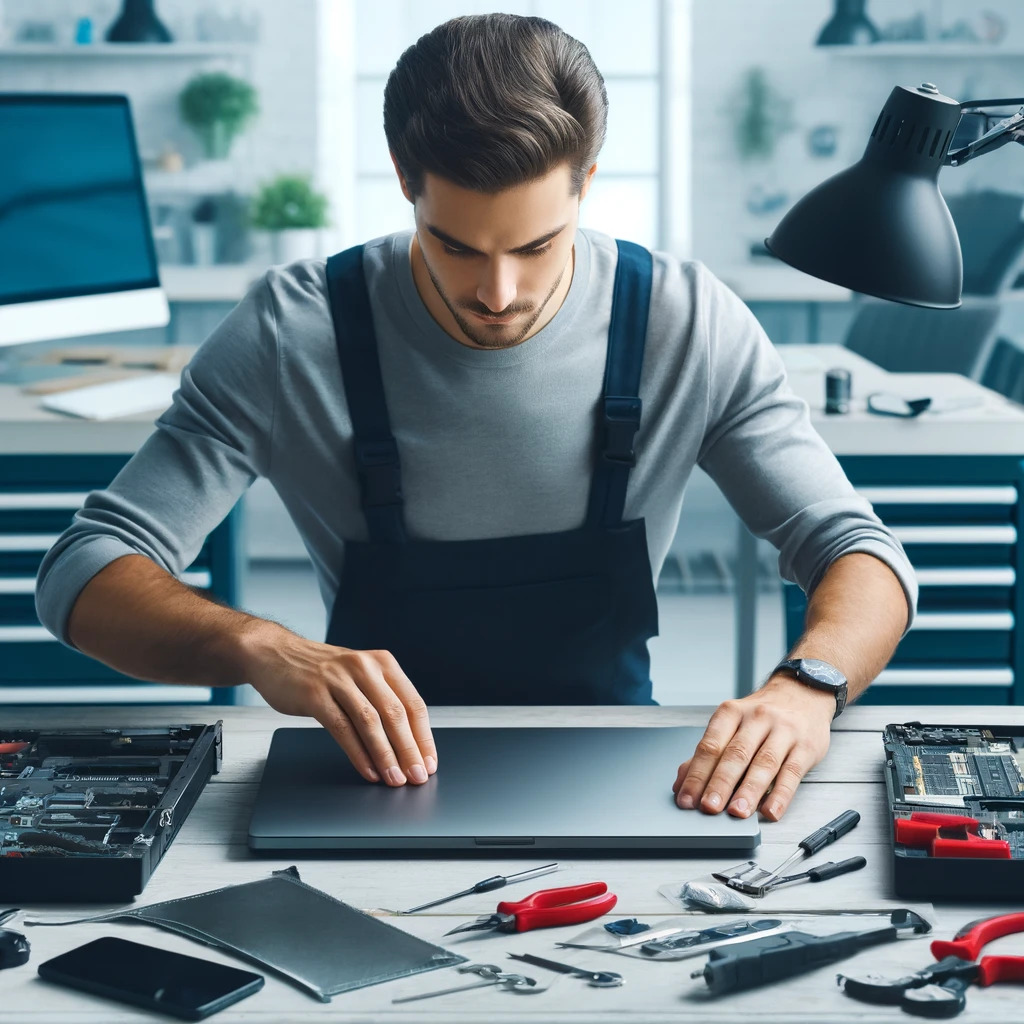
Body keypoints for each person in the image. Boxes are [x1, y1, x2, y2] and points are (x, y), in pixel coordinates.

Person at [36, 14, 915, 821]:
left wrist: (810, 685)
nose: (498, 295)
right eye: (454, 245)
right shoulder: (291, 331)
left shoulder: (687, 321)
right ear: (404, 182)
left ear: (586, 184)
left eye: (536, 247)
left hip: (620, 782)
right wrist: (257, 645)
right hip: (367, 789)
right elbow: (83, 571)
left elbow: (859, 551)